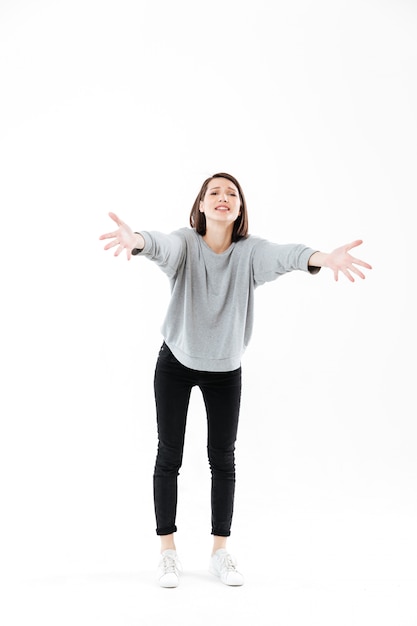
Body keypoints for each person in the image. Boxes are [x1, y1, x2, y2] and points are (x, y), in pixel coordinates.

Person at [99, 172, 372, 588]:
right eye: (214, 192)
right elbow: (160, 246)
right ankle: (167, 551)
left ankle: (220, 552)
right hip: (175, 360)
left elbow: (288, 255)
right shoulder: (186, 244)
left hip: (225, 369)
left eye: (232, 193)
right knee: (168, 454)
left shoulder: (250, 254)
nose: (223, 197)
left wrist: (322, 258)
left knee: (222, 459)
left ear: (240, 208)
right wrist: (135, 239)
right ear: (201, 206)